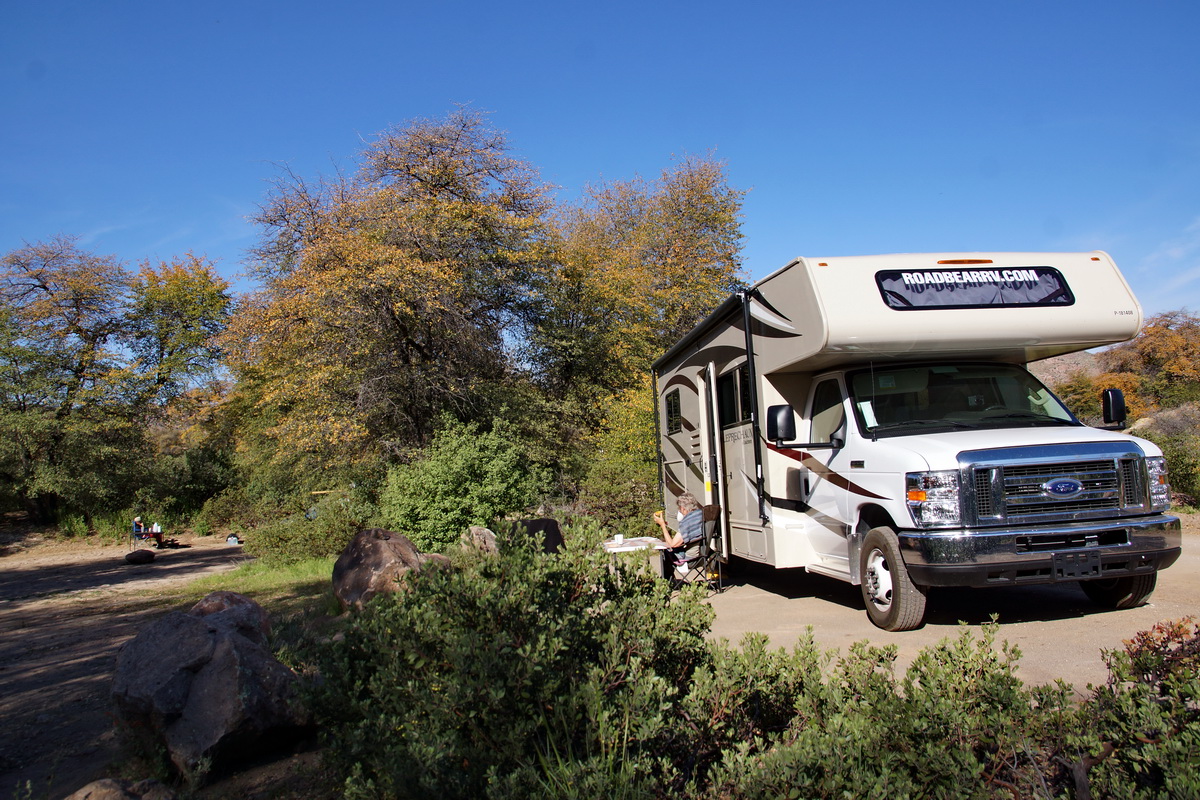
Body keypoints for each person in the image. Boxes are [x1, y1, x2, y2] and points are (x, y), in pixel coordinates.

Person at [653, 492, 705, 577]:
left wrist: (662, 525)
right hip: (704, 554)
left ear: (683, 508)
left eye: (679, 508)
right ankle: (668, 578)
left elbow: (673, 544)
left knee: (666, 551)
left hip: (691, 559)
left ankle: (666, 580)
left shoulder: (687, 522)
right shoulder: (700, 514)